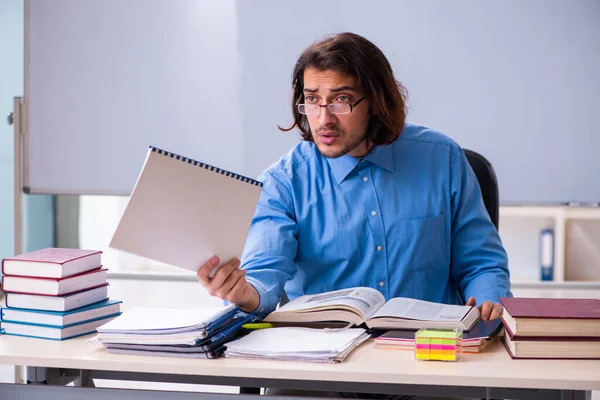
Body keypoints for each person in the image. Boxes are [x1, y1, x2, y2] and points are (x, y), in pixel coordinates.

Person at [196, 32, 512, 322]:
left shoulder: (441, 159)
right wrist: (243, 294)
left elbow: (482, 264)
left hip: (427, 356)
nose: (324, 118)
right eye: (312, 99)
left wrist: (489, 301)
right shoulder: (283, 183)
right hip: (323, 366)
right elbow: (262, 277)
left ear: (375, 101)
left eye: (341, 100)